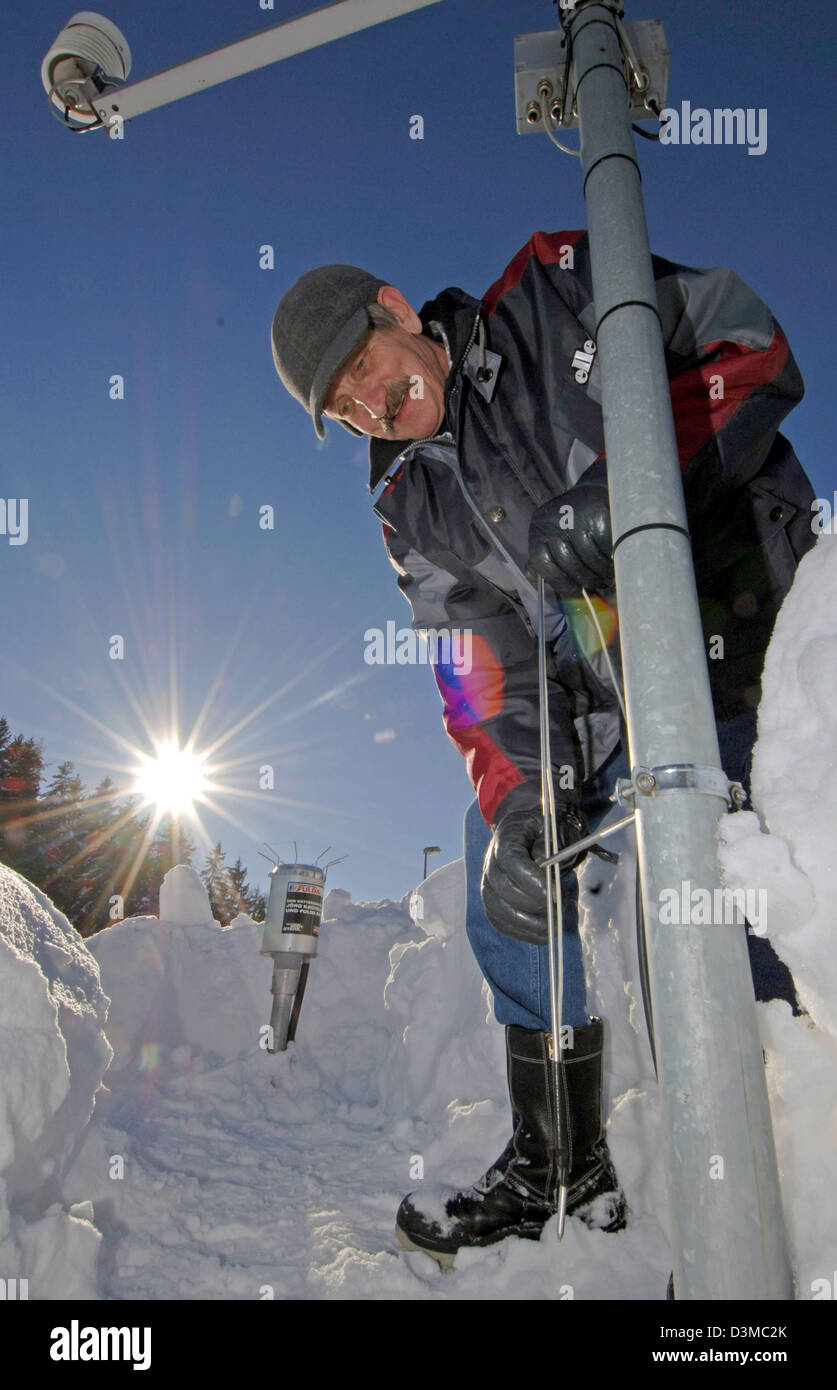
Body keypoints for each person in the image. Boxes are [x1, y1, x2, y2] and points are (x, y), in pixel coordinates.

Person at [269, 230, 814, 1265]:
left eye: (361, 369)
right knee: (500, 881)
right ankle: (563, 1162)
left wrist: (637, 489)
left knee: (719, 907)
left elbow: (750, 345)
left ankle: (780, 1205)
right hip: (600, 701)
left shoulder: (556, 289)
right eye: (338, 407)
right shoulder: (404, 505)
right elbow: (480, 661)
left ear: (398, 310)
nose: (363, 408)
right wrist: (523, 795)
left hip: (737, 626)